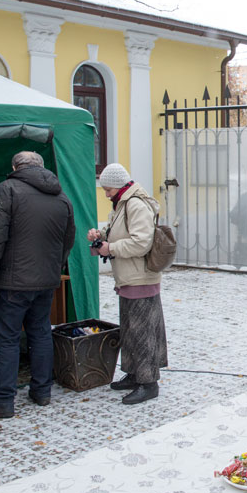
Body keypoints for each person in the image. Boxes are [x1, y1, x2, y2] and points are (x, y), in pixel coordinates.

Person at [0, 151, 76, 418]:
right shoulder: (61, 196)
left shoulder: (7, 189)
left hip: (13, 282)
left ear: (16, 166)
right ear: (40, 167)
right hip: (46, 281)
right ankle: (42, 391)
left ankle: (2, 401)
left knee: (6, 339)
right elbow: (68, 239)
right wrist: (54, 267)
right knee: (40, 333)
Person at [88, 163, 168, 405]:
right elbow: (120, 231)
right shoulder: (122, 203)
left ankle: (148, 383)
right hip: (129, 278)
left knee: (142, 333)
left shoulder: (135, 204)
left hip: (140, 278)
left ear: (120, 185)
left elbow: (141, 243)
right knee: (130, 331)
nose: (106, 194)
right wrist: (101, 235)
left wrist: (110, 248)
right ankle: (134, 374)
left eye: (108, 189)